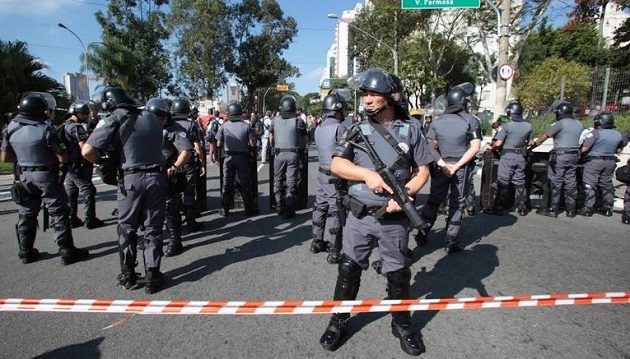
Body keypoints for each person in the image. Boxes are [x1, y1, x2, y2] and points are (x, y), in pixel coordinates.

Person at [319, 69, 431, 356]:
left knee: (398, 274)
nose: (367, 100)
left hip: (394, 218)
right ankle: (338, 321)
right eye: (365, 94)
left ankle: (402, 324)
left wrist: (405, 195)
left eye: (373, 94)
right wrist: (366, 174)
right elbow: (337, 165)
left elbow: (423, 171)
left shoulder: (412, 129)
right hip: (360, 216)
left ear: (391, 97)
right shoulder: (355, 129)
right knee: (348, 269)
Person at [82, 86, 166, 294]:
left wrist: (102, 162)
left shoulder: (112, 119)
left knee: (127, 227)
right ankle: (153, 275)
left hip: (130, 180)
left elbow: (87, 151)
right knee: (153, 228)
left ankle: (128, 274)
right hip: (157, 177)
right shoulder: (152, 117)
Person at [2, 92, 89, 265]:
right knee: (58, 212)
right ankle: (67, 251)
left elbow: (5, 157)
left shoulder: (11, 129)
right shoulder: (45, 129)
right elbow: (62, 157)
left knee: (26, 213)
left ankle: (26, 251)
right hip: (45, 175)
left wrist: (25, 158)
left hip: (23, 175)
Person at [416, 84, 482, 252]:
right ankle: (451, 239)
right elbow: (475, 147)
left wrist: (442, 164)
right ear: (464, 101)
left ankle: (423, 232)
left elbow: (429, 146)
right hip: (462, 167)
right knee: (457, 201)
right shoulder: (471, 120)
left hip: (441, 166)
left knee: (434, 199)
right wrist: (457, 166)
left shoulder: (436, 122)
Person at [147, 98, 192, 257]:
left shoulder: (175, 129)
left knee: (170, 209)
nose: (158, 121)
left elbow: (186, 151)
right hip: (148, 175)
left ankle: (175, 241)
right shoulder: (145, 128)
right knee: (149, 211)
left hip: (168, 175)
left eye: (161, 117)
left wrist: (174, 167)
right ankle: (150, 240)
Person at [310, 92, 348, 264]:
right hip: (335, 177)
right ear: (337, 108)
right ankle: (334, 250)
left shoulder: (318, 128)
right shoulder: (340, 128)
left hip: (322, 174)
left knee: (320, 207)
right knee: (335, 211)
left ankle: (316, 242)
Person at [531, 101, 582, 217]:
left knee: (555, 181)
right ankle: (571, 210)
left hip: (560, 156)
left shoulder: (559, 124)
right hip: (574, 155)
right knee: (571, 181)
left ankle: (552, 209)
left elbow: (542, 138)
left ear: (560, 112)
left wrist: (532, 146)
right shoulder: (578, 123)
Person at [485, 100, 534, 216]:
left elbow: (498, 143)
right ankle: (522, 208)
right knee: (520, 182)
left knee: (503, 182)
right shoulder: (528, 126)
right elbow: (531, 142)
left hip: (508, 156)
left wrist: (492, 148)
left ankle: (499, 208)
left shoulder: (507, 126)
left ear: (510, 113)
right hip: (521, 156)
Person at [60, 101, 104, 229]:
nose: (86, 116)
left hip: (68, 165)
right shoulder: (76, 127)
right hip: (79, 165)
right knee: (88, 190)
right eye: (84, 114)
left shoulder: (63, 126)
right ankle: (90, 219)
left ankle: (71, 217)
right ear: (77, 113)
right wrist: (96, 160)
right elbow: (84, 148)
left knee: (71, 192)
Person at [578, 112, 627, 217]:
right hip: (610, 162)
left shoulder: (595, 133)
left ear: (600, 121)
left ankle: (587, 208)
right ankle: (607, 208)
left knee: (589, 184)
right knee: (607, 184)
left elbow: (584, 149)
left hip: (594, 161)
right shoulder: (618, 134)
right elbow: (619, 150)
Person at [216, 102, 257, 216]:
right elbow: (252, 144)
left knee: (227, 184)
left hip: (228, 158)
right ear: (240, 113)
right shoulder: (246, 126)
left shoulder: (224, 126)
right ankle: (249, 209)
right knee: (245, 183)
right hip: (242, 158)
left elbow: (218, 143)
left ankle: (225, 209)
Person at [270, 95, 307, 219]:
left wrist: (274, 146)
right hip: (293, 154)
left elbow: (271, 138)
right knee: (291, 181)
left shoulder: (274, 120)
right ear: (293, 108)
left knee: (278, 180)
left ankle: (279, 205)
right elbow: (304, 139)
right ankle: (290, 208)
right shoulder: (299, 121)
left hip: (279, 154)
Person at [171, 98, 205, 233]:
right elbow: (197, 147)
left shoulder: (168, 124)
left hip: (173, 163)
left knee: (173, 193)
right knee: (189, 192)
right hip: (188, 162)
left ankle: (175, 222)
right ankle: (190, 222)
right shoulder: (191, 125)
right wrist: (202, 162)